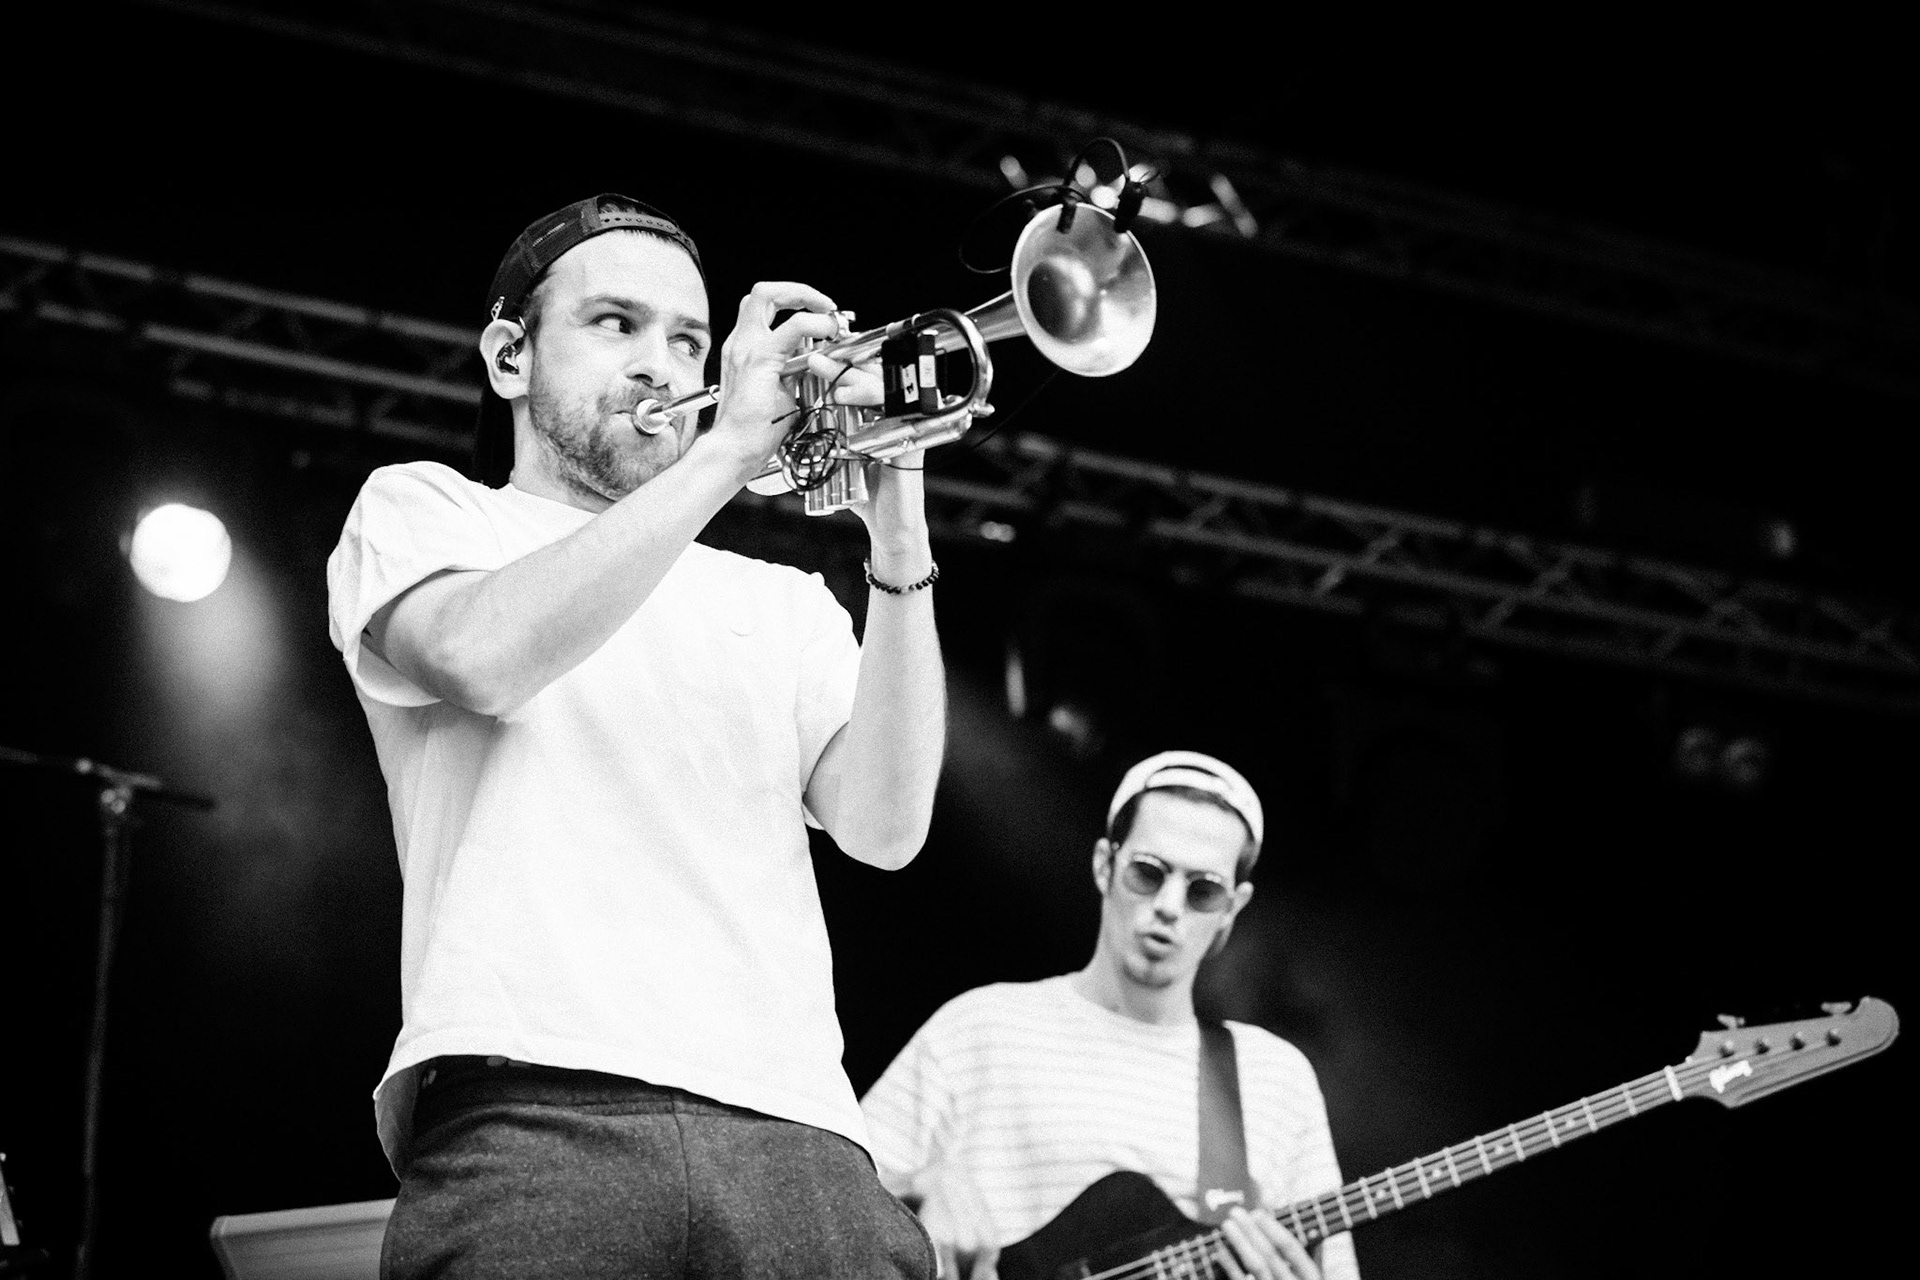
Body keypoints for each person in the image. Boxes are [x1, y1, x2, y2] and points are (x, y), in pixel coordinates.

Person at [325, 193, 945, 1278]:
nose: (661, 364)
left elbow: (886, 829)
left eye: (690, 340)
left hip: (796, 1129)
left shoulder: (780, 597)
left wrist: (899, 534)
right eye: (616, 323)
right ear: (510, 357)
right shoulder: (427, 512)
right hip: (532, 1110)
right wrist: (729, 453)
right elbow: (481, 658)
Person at [860, 751, 1359, 1280]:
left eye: (1203, 890)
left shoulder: (1277, 1078)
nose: (1170, 905)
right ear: (1105, 864)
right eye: (1148, 873)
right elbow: (826, 1193)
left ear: (1231, 909)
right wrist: (922, 1186)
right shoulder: (980, 1028)